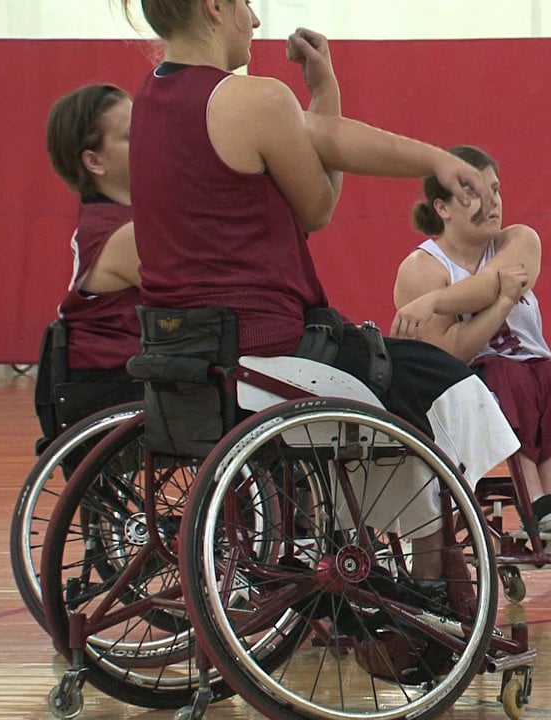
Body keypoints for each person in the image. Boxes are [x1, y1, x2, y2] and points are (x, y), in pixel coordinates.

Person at [118, 0, 518, 584]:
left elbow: (318, 140)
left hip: (183, 343)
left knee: (388, 376)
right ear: (214, 7)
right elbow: (319, 204)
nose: (254, 21)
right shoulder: (251, 98)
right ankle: (435, 573)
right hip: (263, 342)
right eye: (247, 6)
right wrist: (437, 159)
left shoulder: (147, 103)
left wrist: (323, 89)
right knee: (437, 378)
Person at [393, 146, 551, 533]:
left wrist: (437, 301)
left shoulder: (520, 240)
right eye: (474, 193)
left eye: (496, 190)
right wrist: (505, 301)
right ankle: (538, 500)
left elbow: (486, 285)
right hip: (464, 382)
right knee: (506, 377)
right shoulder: (421, 268)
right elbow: (452, 353)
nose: (492, 203)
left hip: (535, 371)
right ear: (443, 208)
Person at [35, 83, 144, 450]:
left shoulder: (116, 219)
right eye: (132, 136)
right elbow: (206, 292)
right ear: (95, 161)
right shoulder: (123, 233)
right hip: (113, 388)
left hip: (116, 380)